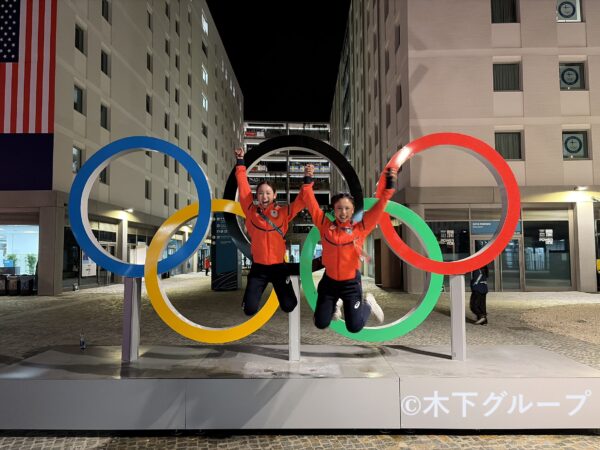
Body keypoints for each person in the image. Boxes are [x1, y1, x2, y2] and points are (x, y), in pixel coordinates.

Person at [302, 163, 397, 333]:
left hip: (351, 283)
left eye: (347, 208)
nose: (343, 212)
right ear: (334, 210)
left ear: (353, 211)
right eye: (339, 208)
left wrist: (388, 190)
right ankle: (335, 304)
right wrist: (308, 181)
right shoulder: (325, 226)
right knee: (320, 323)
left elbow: (378, 209)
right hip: (329, 283)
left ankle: (368, 303)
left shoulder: (360, 228)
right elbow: (311, 205)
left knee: (354, 327)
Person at [234, 147, 308, 316]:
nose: (264, 196)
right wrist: (240, 162)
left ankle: (287, 294)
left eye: (268, 193)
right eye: (260, 193)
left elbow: (301, 201)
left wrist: (307, 179)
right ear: (256, 196)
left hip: (278, 267)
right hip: (259, 268)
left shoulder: (283, 213)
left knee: (289, 305)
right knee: (249, 309)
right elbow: (243, 187)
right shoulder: (251, 211)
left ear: (274, 195)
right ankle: (249, 302)